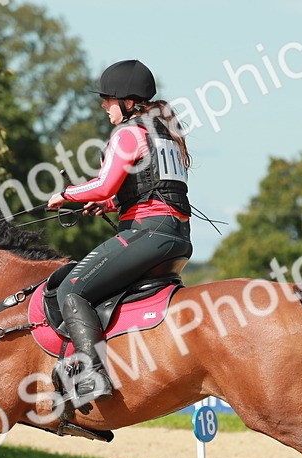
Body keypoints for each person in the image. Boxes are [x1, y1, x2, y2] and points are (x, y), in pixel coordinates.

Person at [47, 59, 194, 408]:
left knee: (72, 288)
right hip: (176, 237)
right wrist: (111, 206)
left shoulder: (129, 133)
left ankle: (91, 374)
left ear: (127, 102)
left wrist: (66, 194)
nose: (103, 106)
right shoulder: (165, 135)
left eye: (107, 100)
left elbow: (104, 184)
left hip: (149, 233)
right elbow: (152, 189)